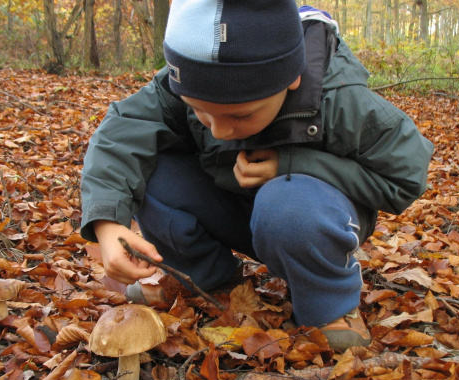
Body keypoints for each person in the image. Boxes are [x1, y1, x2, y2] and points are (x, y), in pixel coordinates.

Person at [80, 1, 434, 351]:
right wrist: (108, 224)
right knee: (149, 161)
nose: (218, 131)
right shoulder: (192, 69)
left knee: (287, 204)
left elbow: (404, 178)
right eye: (199, 111)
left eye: (240, 115)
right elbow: (122, 131)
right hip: (234, 205)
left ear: (291, 79)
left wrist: (293, 164)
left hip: (310, 216)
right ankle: (204, 277)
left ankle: (327, 304)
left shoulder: (341, 100)